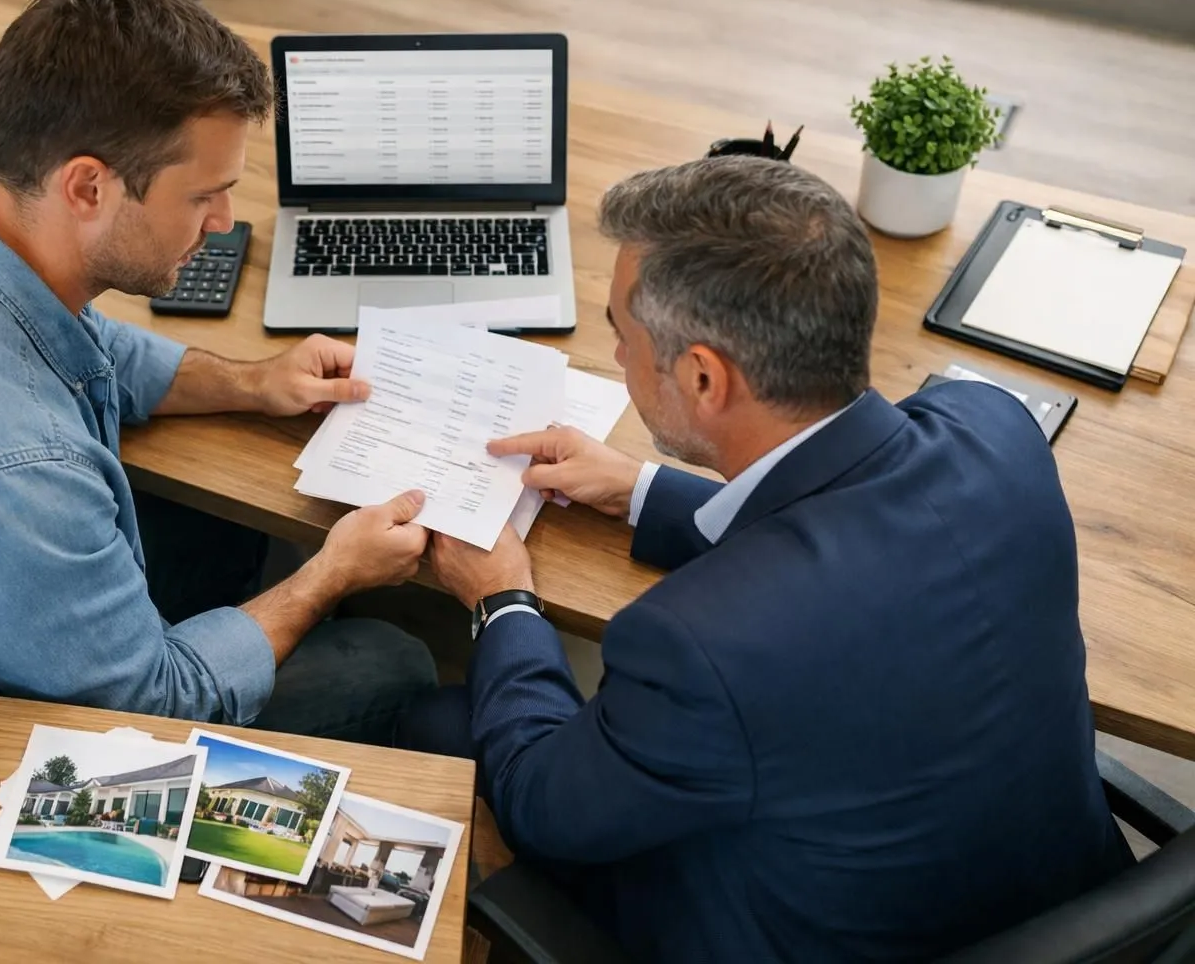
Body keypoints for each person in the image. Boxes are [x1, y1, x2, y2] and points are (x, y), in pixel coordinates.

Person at [397, 157, 1131, 960]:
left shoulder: (693, 646)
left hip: (796, 934)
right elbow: (852, 511)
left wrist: (502, 598)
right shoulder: (994, 428)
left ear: (704, 375)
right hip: (1068, 898)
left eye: (622, 334)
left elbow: (543, 807)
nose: (614, 356)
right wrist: (640, 490)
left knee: (439, 719)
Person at [0, 0, 437, 744]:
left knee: (236, 528)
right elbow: (152, 709)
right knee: (395, 661)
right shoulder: (10, 475)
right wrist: (331, 574)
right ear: (88, 186)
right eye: (202, 196)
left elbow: (83, 340)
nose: (224, 223)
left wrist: (253, 383)